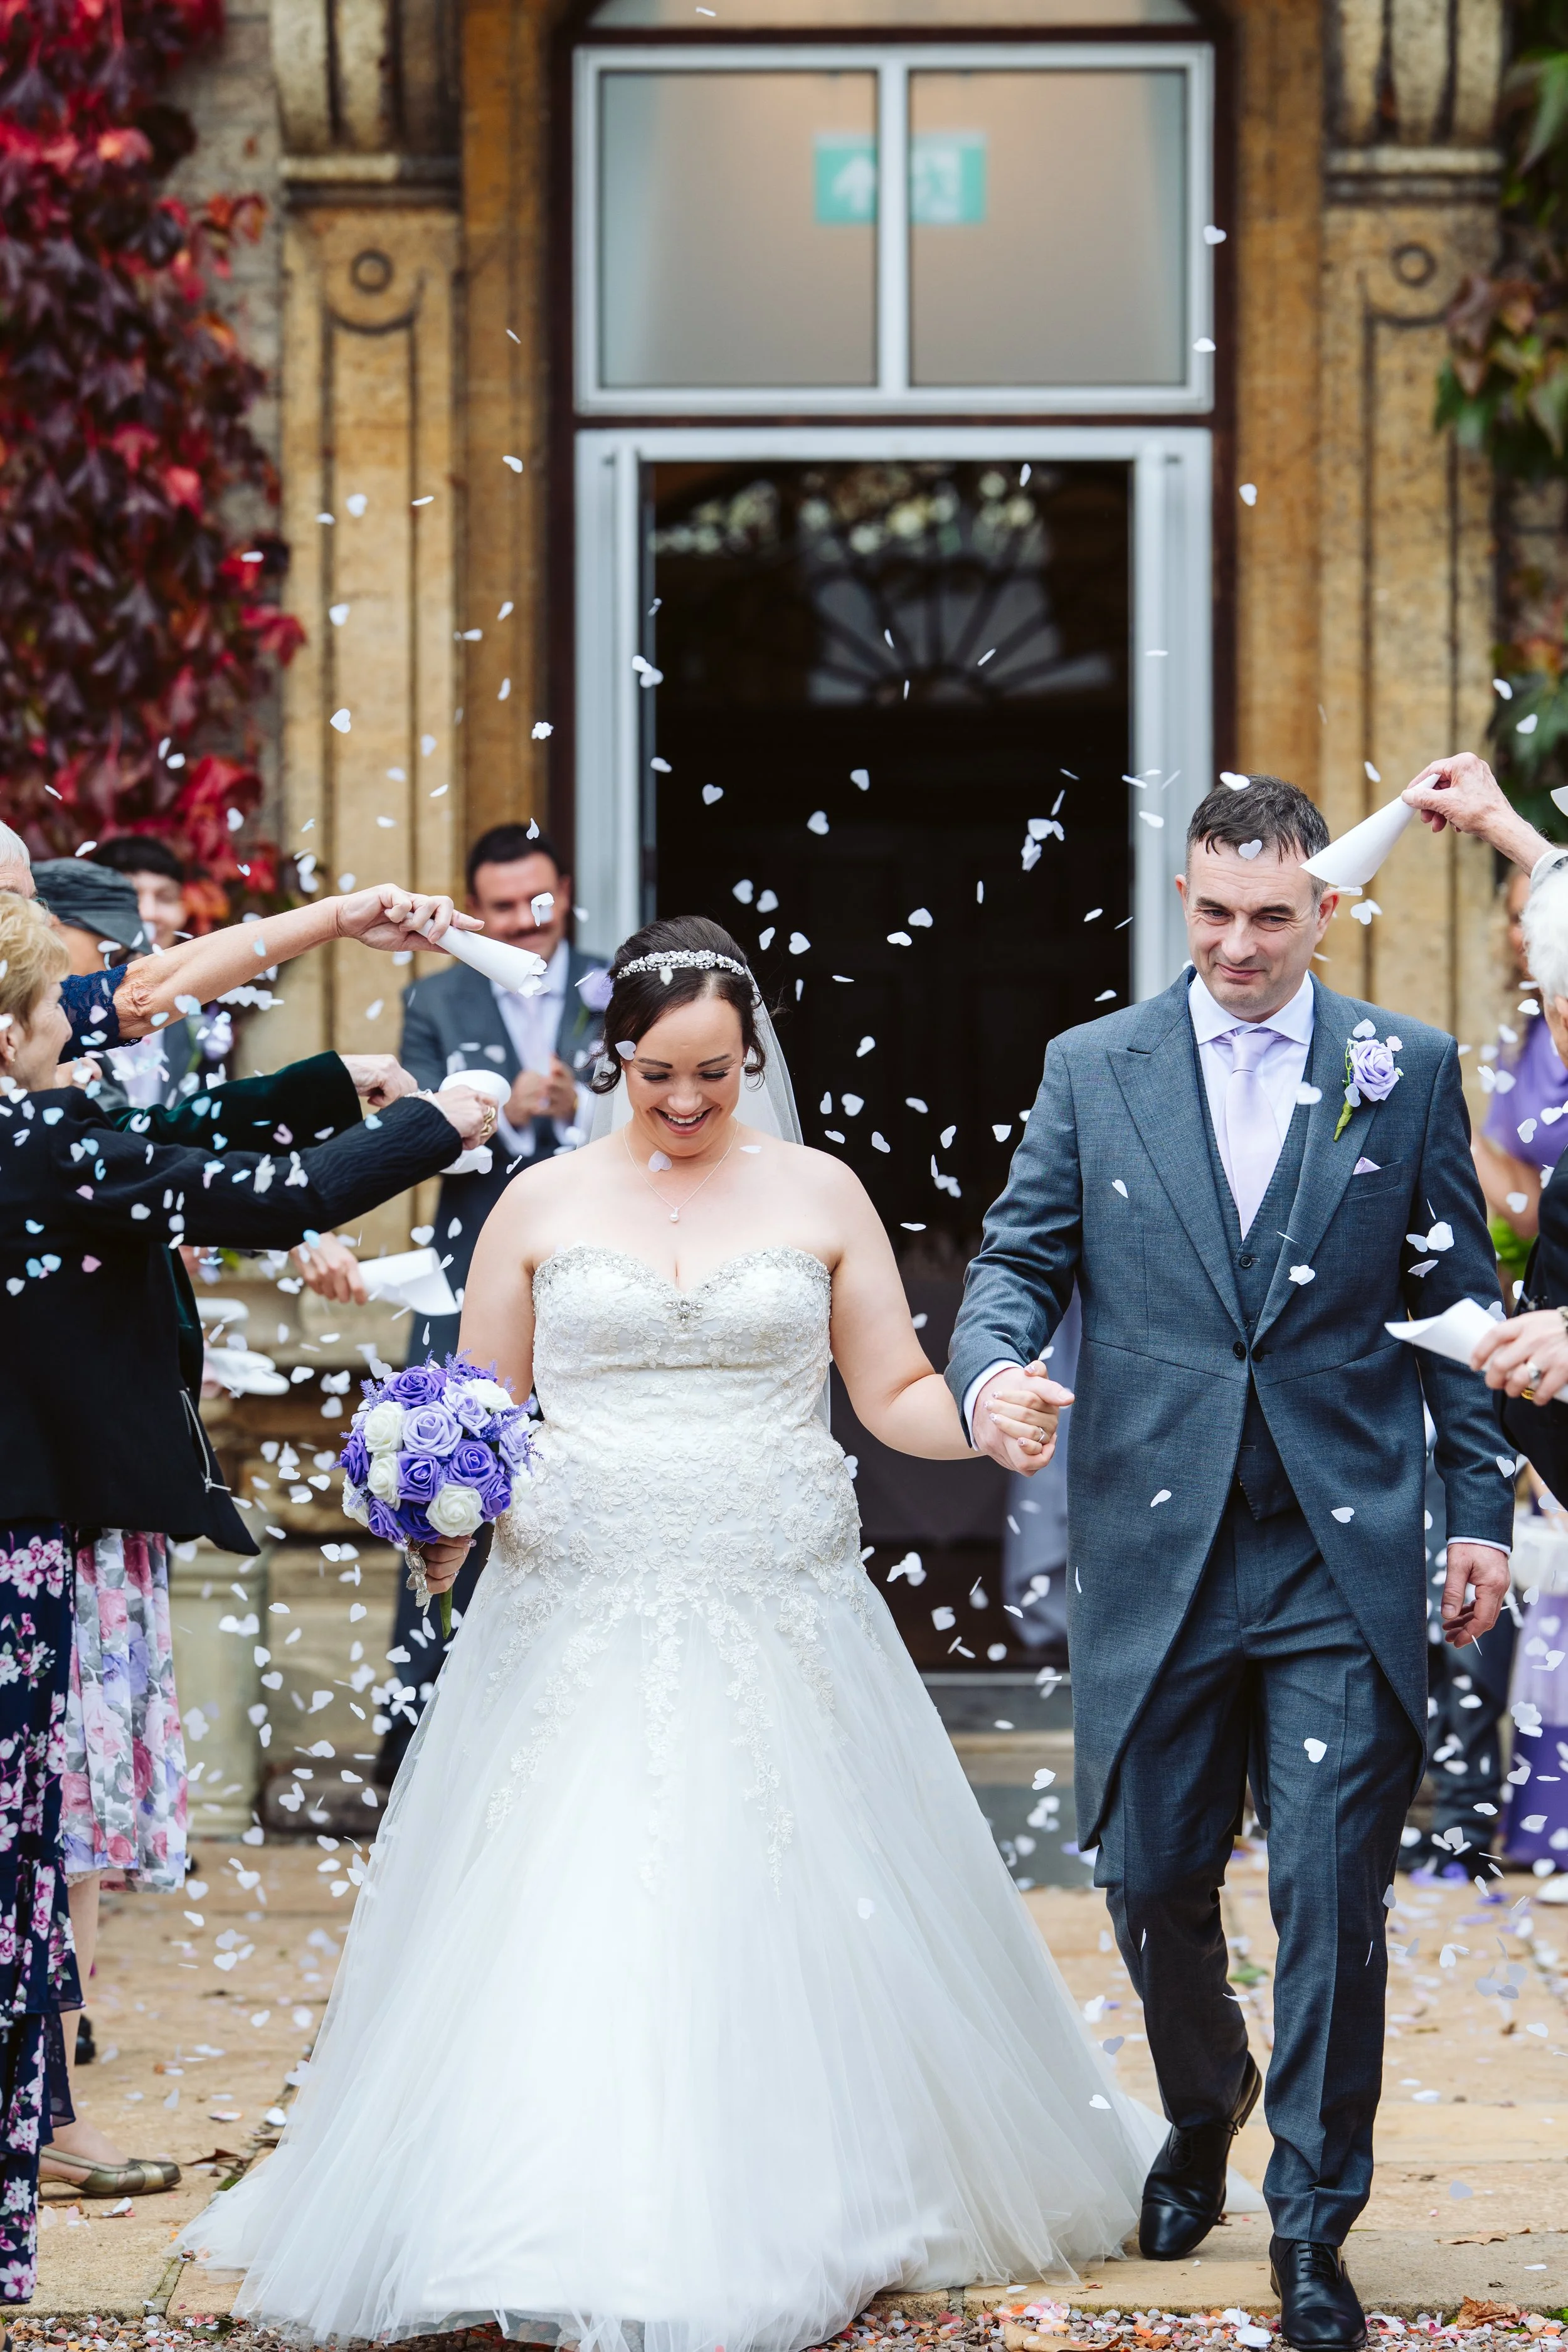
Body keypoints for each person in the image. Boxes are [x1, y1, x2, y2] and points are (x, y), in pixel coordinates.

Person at [186, 914, 1165, 2352]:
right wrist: (440, 1503)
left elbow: (889, 1384)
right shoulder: (535, 1202)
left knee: (790, 1875)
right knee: (568, 1887)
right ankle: (534, 2193)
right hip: (578, 1596)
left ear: (751, 1054)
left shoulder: (822, 1191)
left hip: (778, 1590)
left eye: (714, 1069)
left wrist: (984, 1416)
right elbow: (488, 1408)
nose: (690, 1101)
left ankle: (816, 2178)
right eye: (658, 1074)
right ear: (614, 1062)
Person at [949, 777, 1512, 2352]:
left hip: (1342, 1549)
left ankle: (1313, 2221)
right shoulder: (1094, 1066)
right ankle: (1204, 2105)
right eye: (1213, 911)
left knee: (1334, 1893)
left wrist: (1473, 1513)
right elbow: (1015, 1262)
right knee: (1149, 1877)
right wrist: (994, 1371)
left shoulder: (1405, 1070)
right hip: (1156, 1547)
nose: (1240, 943)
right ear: (1180, 899)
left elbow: (1455, 1314)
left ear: (1324, 905)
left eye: (1272, 914)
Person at [45, 1048, 427, 2200]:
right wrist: (437, 1124)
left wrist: (324, 1081)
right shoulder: (39, 1135)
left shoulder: (57, 1112)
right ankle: (42, 2102)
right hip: (44, 1514)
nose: (84, 992)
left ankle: (49, 2093)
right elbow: (273, 1191)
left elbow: (178, 1125)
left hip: (76, 1509)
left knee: (71, 1823)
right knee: (57, 1818)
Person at [0, 820, 480, 1061]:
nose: (39, 922)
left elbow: (141, 996)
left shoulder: (40, 1011)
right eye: (9, 900)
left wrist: (337, 918)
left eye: (34, 902)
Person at [397, 824, 607, 1359]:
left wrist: (582, 1109)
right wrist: (501, 1116)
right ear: (473, 906)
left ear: (564, 891)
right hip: (475, 1251)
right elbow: (412, 1134)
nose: (522, 921)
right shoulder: (432, 1001)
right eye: (503, 905)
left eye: (536, 902)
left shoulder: (621, 985)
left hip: (605, 1249)